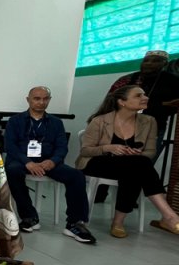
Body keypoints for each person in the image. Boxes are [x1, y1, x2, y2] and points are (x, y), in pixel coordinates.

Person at [76, 85, 179, 237]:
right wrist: (108, 148)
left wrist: (138, 153)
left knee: (136, 168)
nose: (145, 98)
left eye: (144, 94)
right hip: (98, 162)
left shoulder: (149, 121)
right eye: (138, 95)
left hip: (131, 166)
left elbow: (151, 152)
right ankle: (168, 217)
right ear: (122, 102)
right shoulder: (100, 120)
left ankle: (123, 222)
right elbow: (85, 150)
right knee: (139, 166)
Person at [4, 86, 96, 244]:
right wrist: (28, 162)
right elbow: (10, 146)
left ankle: (75, 223)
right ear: (28, 100)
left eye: (45, 99)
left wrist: (53, 161)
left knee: (76, 176)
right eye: (37, 98)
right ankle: (29, 217)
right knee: (12, 171)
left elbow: (62, 147)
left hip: (49, 161)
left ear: (49, 100)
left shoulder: (56, 122)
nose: (41, 102)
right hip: (22, 161)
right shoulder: (15, 121)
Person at [108, 50, 179, 160]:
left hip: (153, 129)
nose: (149, 63)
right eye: (146, 61)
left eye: (155, 61)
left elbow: (174, 105)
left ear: (164, 63)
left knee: (143, 164)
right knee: (113, 163)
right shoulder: (128, 79)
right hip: (121, 127)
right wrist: (161, 104)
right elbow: (112, 100)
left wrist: (155, 106)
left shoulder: (173, 81)